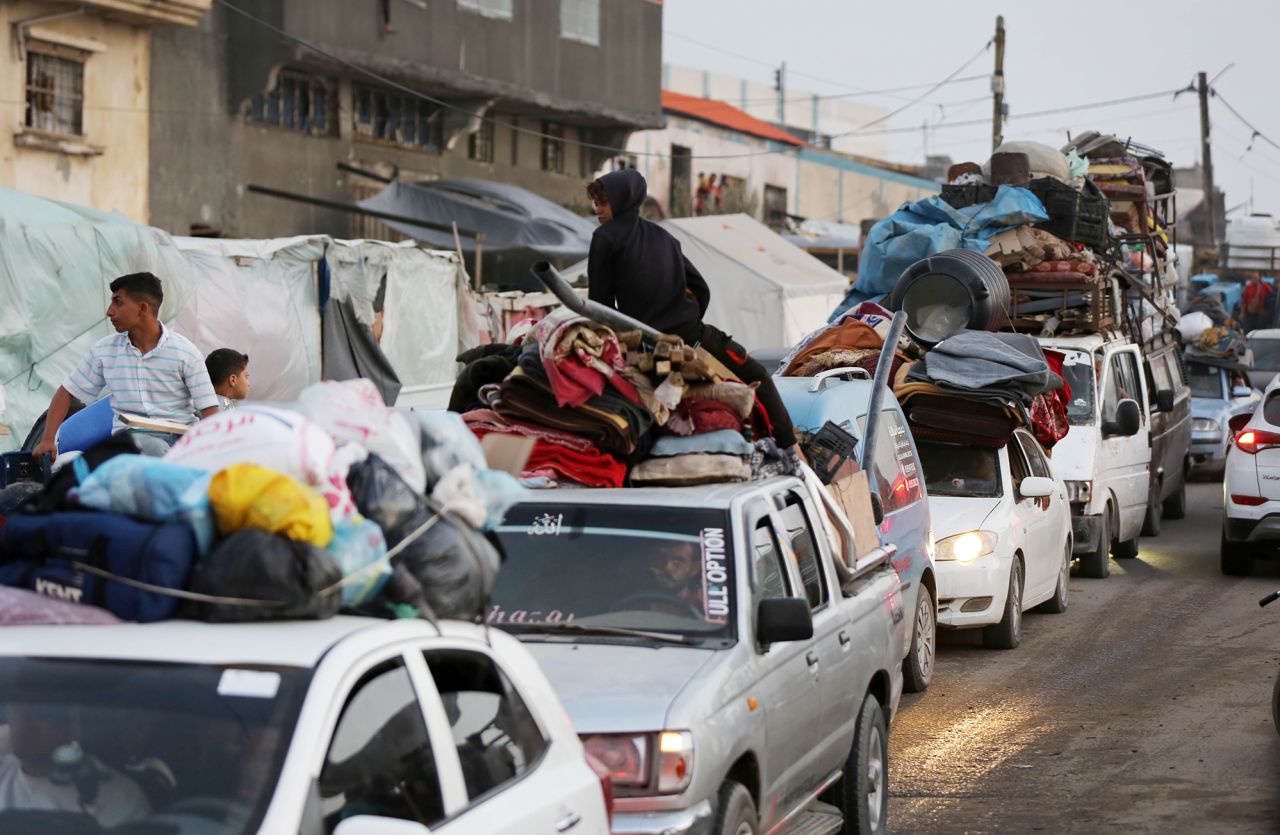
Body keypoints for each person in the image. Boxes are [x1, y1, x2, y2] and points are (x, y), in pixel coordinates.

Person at [585, 169, 798, 450]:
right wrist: (687, 321)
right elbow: (701, 288)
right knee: (757, 374)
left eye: (603, 203)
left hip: (647, 347)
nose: (597, 210)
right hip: (694, 337)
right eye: (596, 204)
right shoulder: (664, 237)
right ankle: (791, 448)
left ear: (621, 199)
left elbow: (600, 306)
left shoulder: (605, 238)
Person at [32, 273, 219, 460]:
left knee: (150, 449)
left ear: (143, 308)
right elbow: (67, 392)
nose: (109, 311)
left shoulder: (185, 352)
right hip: (128, 442)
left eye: (118, 302)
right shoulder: (104, 351)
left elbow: (209, 408)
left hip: (179, 441)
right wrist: (47, 440)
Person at [0, 705, 151, 828]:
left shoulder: (120, 796)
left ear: (73, 723)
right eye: (16, 708)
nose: (23, 724)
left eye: (38, 712)